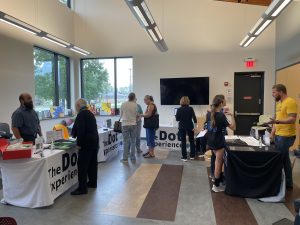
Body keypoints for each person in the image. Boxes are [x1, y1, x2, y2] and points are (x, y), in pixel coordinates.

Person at [270, 84, 298, 189]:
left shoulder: (290, 102)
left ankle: (277, 184)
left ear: (281, 92)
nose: (273, 95)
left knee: (278, 160)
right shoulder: (279, 104)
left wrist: (277, 121)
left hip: (287, 136)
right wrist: (272, 134)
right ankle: (288, 183)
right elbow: (276, 121)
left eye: (274, 92)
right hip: (278, 135)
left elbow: (292, 118)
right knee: (285, 159)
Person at [207, 96, 236, 193]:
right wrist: (232, 116)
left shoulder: (210, 114)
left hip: (212, 141)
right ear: (221, 103)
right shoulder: (221, 116)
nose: (225, 102)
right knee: (218, 163)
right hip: (219, 142)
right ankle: (216, 185)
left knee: (219, 161)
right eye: (224, 101)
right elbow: (233, 128)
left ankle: (218, 178)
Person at [71, 99, 99, 195]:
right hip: (94, 142)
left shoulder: (81, 114)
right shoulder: (90, 113)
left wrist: (79, 144)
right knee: (92, 164)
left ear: (78, 105)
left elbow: (81, 131)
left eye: (75, 106)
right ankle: (92, 183)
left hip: (86, 143)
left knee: (82, 166)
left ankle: (82, 188)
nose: (75, 108)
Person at [175, 96, 197, 161]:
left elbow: (177, 119)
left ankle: (184, 157)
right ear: (188, 101)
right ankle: (192, 156)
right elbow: (194, 118)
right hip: (190, 126)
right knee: (192, 141)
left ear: (181, 101)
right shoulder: (191, 108)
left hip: (182, 127)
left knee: (183, 141)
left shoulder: (179, 109)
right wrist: (195, 127)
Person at [120, 93, 138, 162]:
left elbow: (120, 115)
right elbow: (136, 115)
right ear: (134, 97)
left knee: (125, 141)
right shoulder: (135, 105)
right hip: (133, 124)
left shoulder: (123, 104)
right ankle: (133, 157)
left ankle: (125, 158)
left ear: (128, 97)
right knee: (133, 141)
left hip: (125, 124)